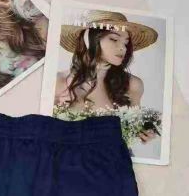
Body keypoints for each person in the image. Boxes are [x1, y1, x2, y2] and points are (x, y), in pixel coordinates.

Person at [55, 10, 159, 143]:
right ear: (90, 39)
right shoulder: (59, 82)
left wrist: (145, 131)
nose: (123, 48)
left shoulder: (132, 85)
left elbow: (135, 129)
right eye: (114, 39)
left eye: (126, 42)